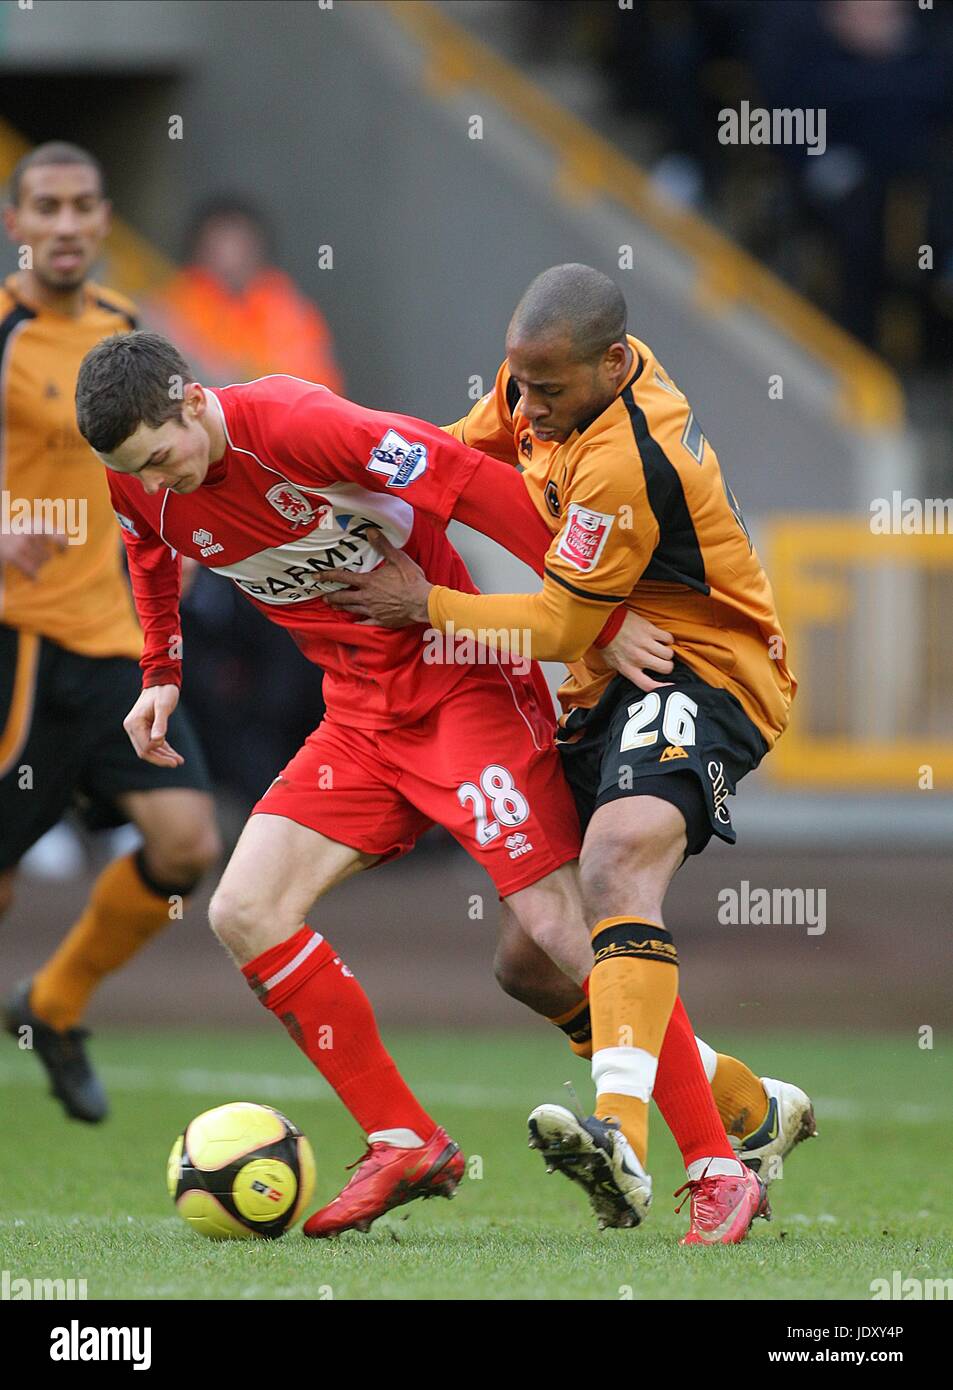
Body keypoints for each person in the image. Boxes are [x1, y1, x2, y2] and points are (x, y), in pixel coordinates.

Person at [76, 330, 794, 1243]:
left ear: (188, 398)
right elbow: (144, 545)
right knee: (244, 909)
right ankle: (404, 1138)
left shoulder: (299, 424)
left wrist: (593, 620)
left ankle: (717, 1165)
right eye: (135, 469)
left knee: (555, 930)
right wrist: (160, 670)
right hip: (359, 719)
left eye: (161, 456)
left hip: (465, 688)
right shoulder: (138, 477)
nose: (159, 481)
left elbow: (470, 480)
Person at [323, 263, 810, 1238]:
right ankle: (747, 1108)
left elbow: (551, 623)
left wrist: (424, 603)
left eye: (548, 390)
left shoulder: (629, 455)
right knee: (528, 957)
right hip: (606, 682)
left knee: (616, 857)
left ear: (613, 363)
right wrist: (352, 492)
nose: (526, 407)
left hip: (705, 668)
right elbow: (454, 460)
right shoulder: (536, 383)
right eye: (519, 383)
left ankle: (624, 1137)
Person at [0, 143, 221, 1122]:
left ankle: (51, 1006)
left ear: (101, 218)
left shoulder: (123, 333)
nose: (65, 223)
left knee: (185, 844)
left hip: (114, 646)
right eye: (44, 205)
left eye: (82, 204)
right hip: (19, 646)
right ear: (16, 224)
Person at [147, 195, 344, 389]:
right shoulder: (173, 306)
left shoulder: (288, 310)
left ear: (258, 250)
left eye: (238, 244)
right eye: (219, 244)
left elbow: (316, 385)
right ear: (198, 250)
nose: (229, 257)